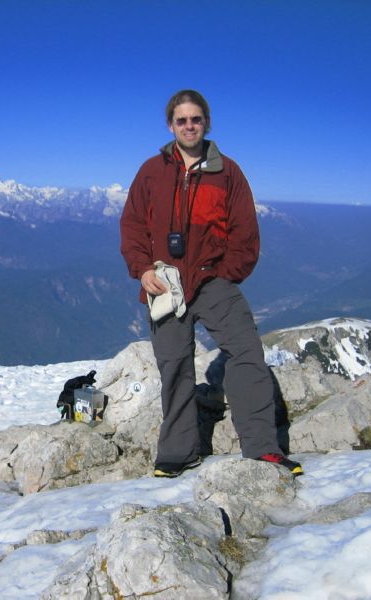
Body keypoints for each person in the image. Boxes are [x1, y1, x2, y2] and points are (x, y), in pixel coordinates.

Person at [120, 89, 302, 478]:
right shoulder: (152, 171)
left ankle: (262, 449)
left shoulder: (228, 172)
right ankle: (178, 452)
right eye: (182, 120)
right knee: (174, 366)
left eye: (196, 119)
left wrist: (225, 274)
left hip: (212, 280)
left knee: (248, 353)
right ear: (171, 125)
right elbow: (133, 225)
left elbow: (245, 233)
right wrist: (143, 270)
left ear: (206, 123)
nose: (189, 126)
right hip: (164, 284)